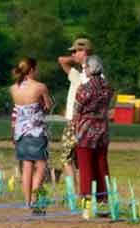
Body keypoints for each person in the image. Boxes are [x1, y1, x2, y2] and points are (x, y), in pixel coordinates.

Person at [67, 56, 115, 211]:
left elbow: (77, 110)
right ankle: (103, 197)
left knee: (85, 164)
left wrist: (74, 127)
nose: (84, 70)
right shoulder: (107, 88)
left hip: (86, 129)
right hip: (102, 128)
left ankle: (87, 197)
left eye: (85, 67)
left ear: (90, 68)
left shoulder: (84, 88)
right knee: (101, 163)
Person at [10, 58, 53, 215]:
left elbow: (16, 110)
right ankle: (35, 199)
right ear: (32, 70)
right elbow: (48, 106)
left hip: (20, 131)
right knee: (41, 166)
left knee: (26, 166)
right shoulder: (40, 87)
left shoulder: (13, 88)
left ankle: (27, 202)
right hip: (36, 131)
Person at [57, 38, 93, 121]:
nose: (72, 55)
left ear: (84, 52)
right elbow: (61, 60)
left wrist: (85, 58)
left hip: (80, 122)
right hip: (75, 122)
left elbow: (62, 60)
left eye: (74, 52)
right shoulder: (79, 76)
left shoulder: (91, 75)